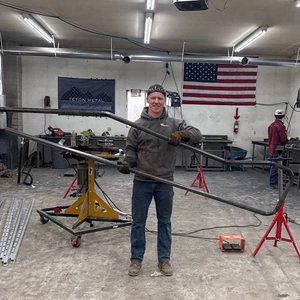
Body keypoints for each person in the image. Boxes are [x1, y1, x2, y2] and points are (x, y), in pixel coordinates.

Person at [117, 84, 201, 276]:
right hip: (142, 180)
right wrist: (127, 162)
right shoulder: (137, 125)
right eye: (153, 98)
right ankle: (136, 260)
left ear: (165, 101)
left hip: (165, 181)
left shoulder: (174, 123)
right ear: (148, 100)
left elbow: (197, 134)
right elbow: (131, 149)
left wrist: (183, 135)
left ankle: (164, 260)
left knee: (164, 221)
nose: (156, 101)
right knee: (138, 222)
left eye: (160, 99)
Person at [267, 109, 288, 188]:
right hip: (278, 148)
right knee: (276, 167)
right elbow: (283, 139)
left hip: (272, 147)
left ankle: (275, 182)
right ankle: (273, 183)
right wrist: (287, 139)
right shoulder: (281, 126)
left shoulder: (271, 125)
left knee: (273, 165)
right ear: (282, 116)